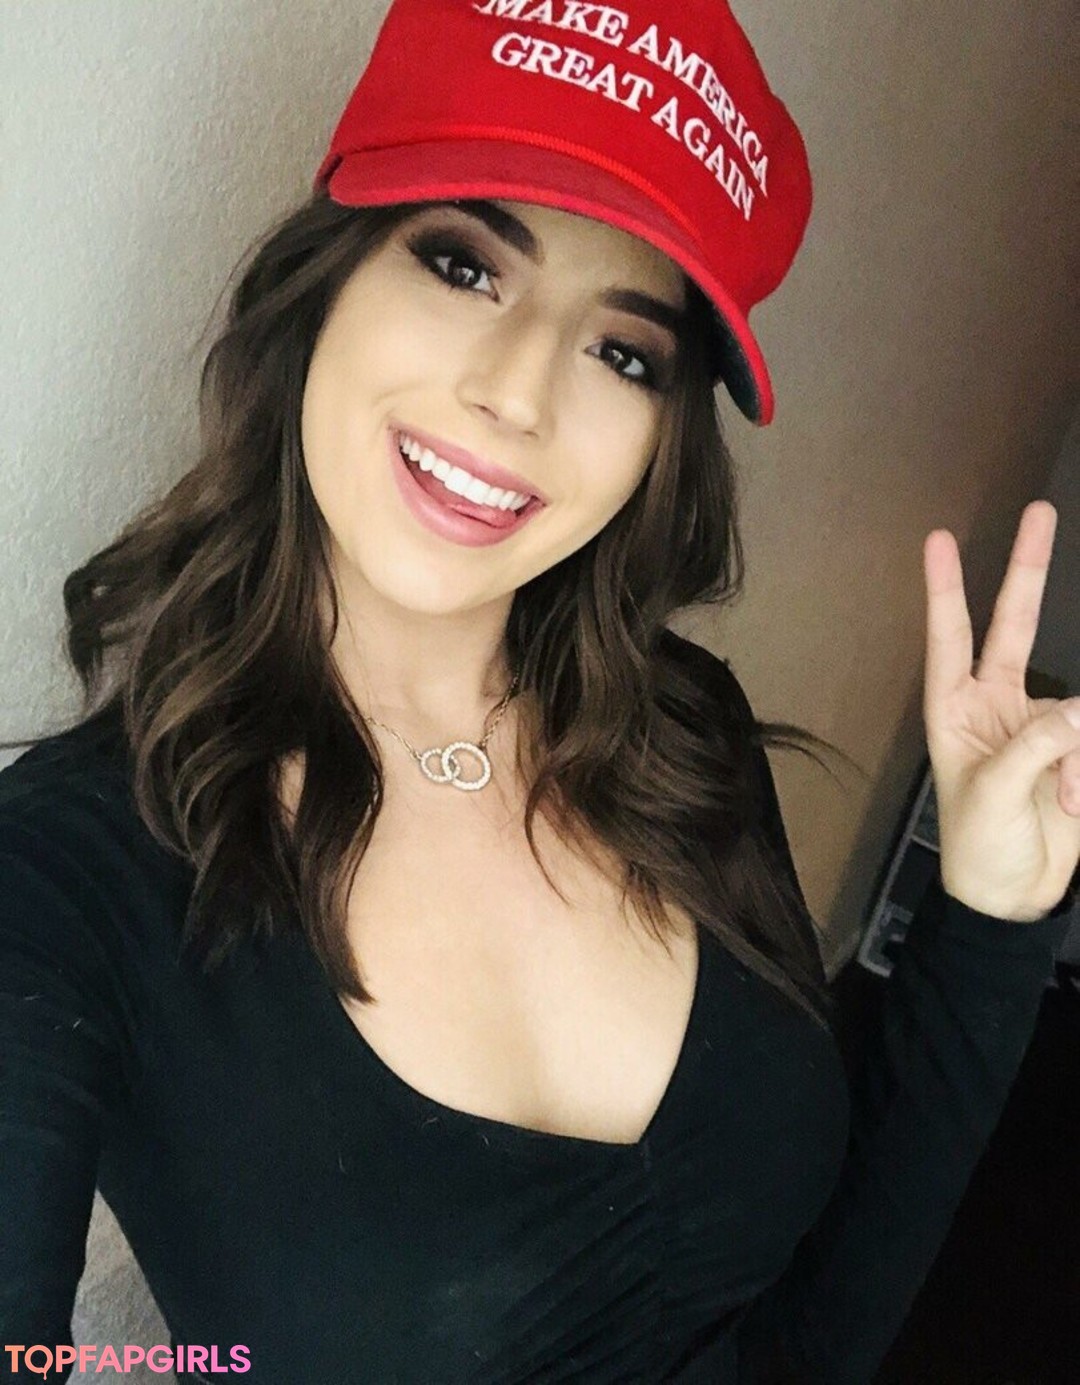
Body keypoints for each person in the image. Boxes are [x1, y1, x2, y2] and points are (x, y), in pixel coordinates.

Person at [1, 1, 1077, 1381]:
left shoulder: (684, 733)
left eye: (624, 352)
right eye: (463, 263)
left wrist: (988, 919)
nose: (518, 394)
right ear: (321, 282)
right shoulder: (65, 880)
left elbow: (810, 1323)